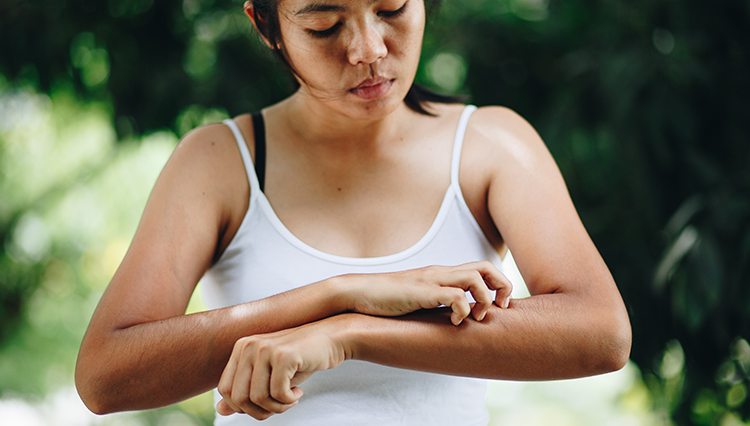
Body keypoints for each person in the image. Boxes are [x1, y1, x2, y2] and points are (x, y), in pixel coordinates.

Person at [75, 0, 632, 424]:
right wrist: (335, 295)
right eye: (324, 25)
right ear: (266, 26)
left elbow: (600, 332)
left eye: (391, 8)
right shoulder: (219, 161)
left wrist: (351, 333)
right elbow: (105, 376)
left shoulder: (490, 144)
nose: (368, 48)